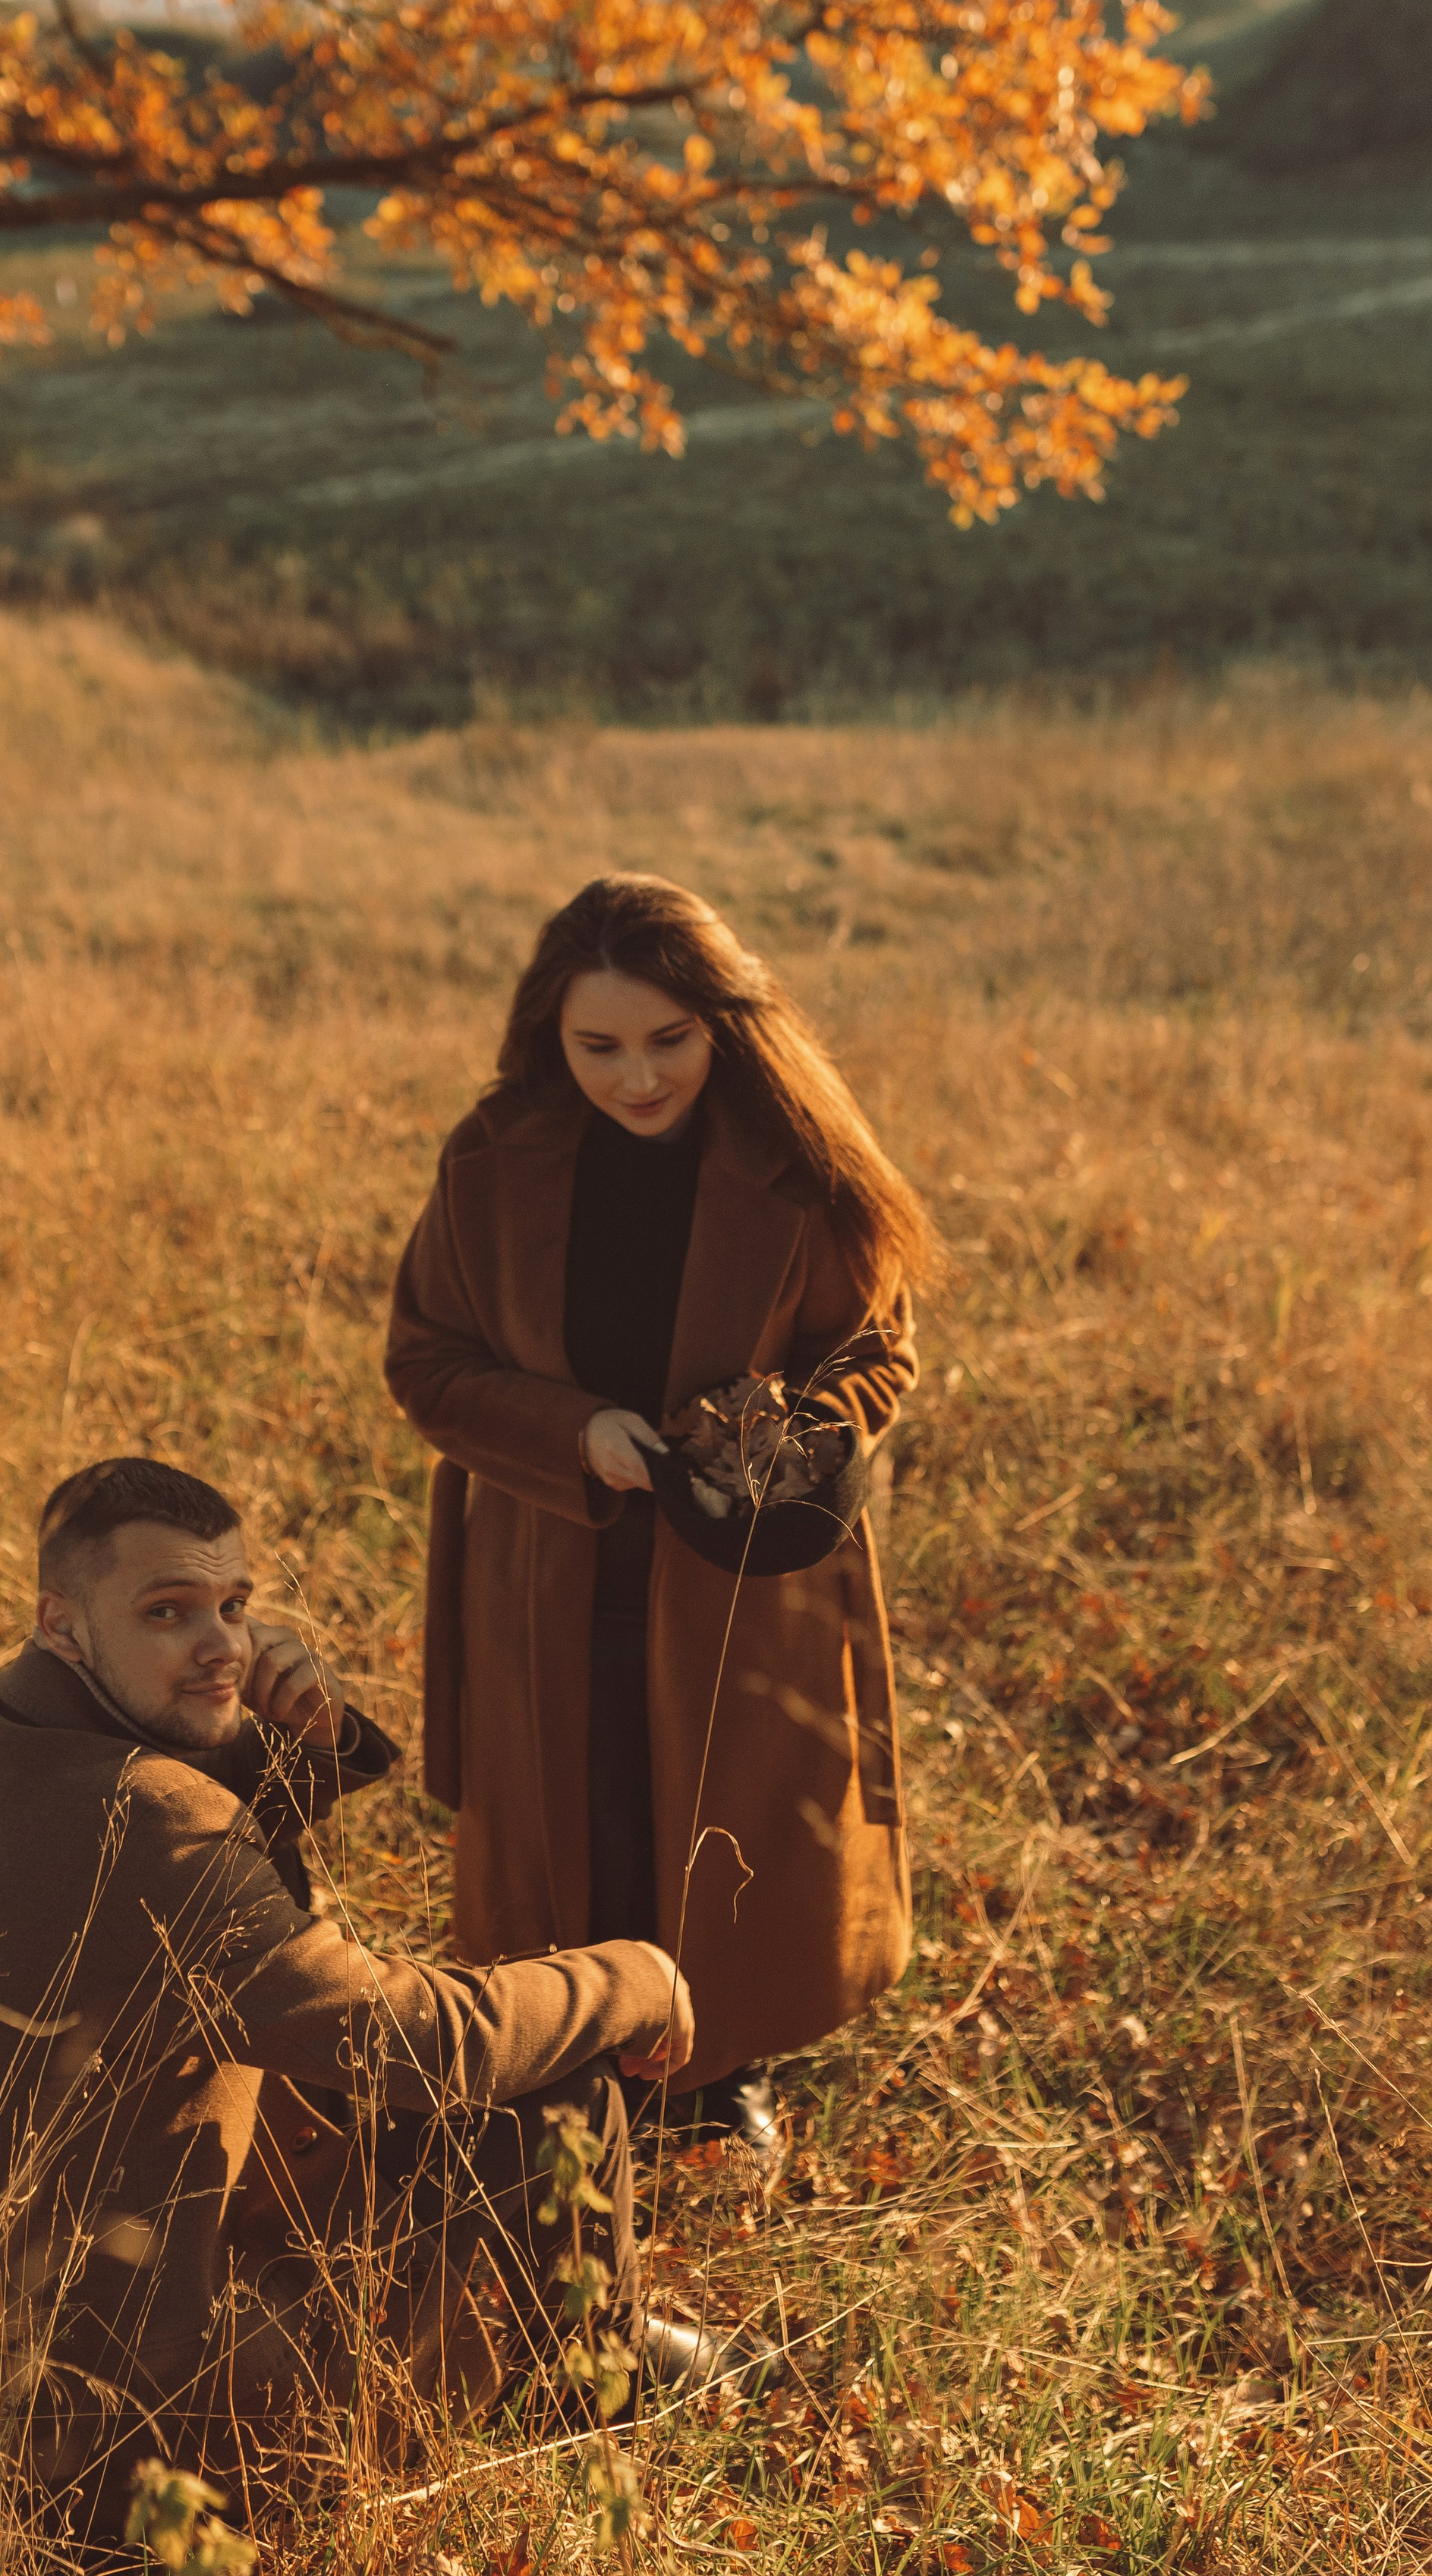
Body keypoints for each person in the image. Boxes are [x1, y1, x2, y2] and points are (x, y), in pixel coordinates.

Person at [0, 1455, 704, 2546]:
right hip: (95, 2439)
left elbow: (199, 1884)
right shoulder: (151, 1821)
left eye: (234, 1604)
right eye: (168, 1611)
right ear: (64, 1622)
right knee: (562, 2087)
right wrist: (637, 1974)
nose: (222, 1642)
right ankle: (575, 2374)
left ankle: (574, 2344)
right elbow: (419, 2044)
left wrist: (301, 1739)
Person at [386, 874, 939, 2154]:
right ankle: (567, 2055)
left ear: (726, 1024)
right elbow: (428, 1362)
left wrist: (775, 1434)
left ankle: (716, 2068)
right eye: (600, 1047)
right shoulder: (492, 1160)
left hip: (740, 1565)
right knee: (577, 1806)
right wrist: (579, 1436)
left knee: (719, 1810)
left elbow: (875, 1350)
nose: (638, 1077)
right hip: (542, 1555)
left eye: (669, 1040)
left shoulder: (799, 1162)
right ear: (550, 1034)